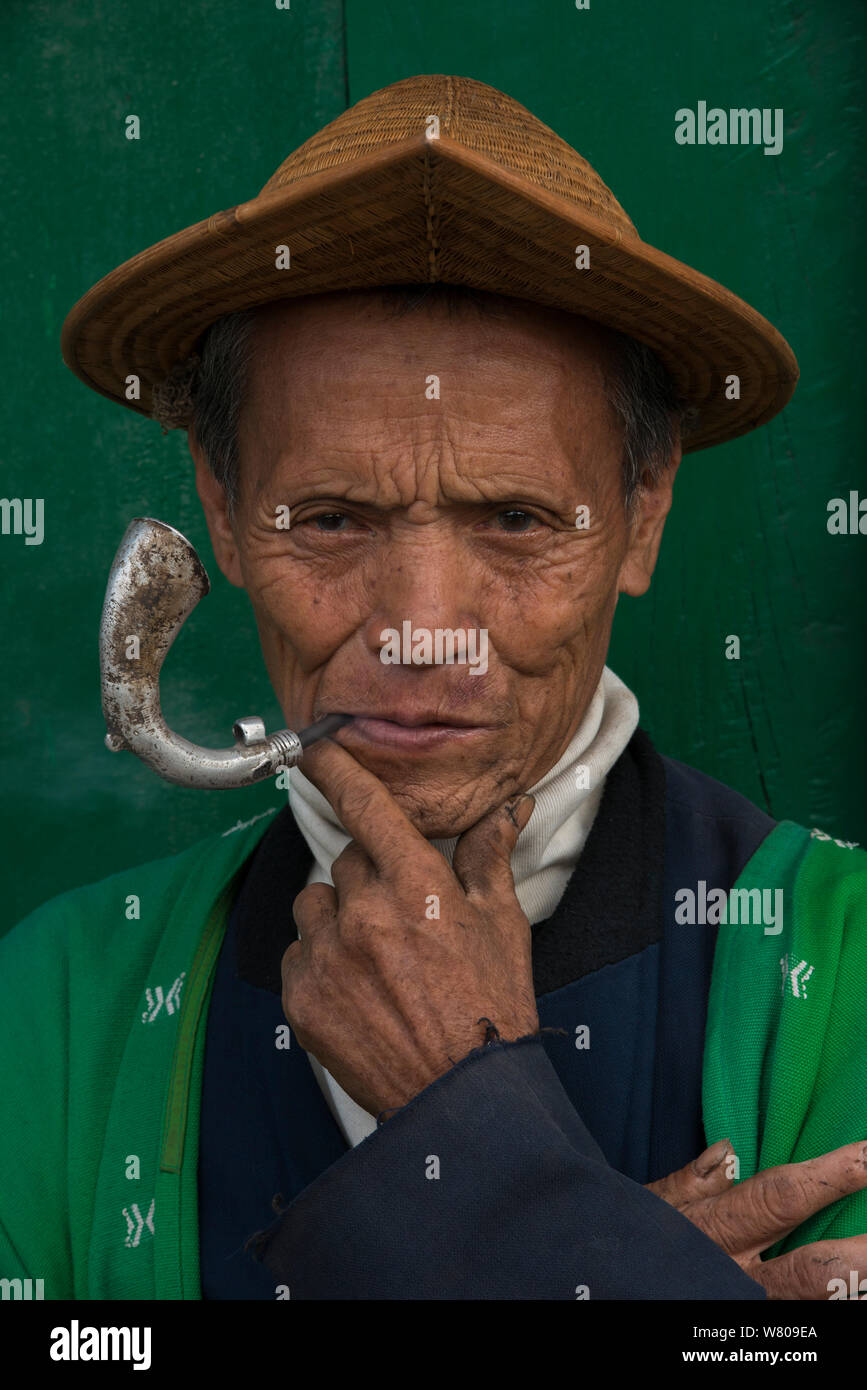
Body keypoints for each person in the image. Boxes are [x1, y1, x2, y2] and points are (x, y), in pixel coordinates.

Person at [1, 74, 864, 1302]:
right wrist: (624, 1272)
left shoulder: (840, 969)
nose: (420, 633)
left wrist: (472, 1127)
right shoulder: (61, 1004)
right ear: (220, 507)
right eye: (334, 518)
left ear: (645, 510)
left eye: (515, 518)